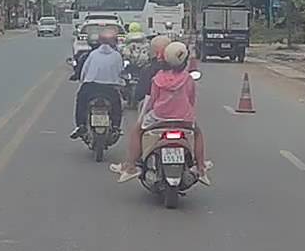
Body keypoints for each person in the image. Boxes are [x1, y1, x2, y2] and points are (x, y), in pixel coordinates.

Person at [112, 41, 208, 184]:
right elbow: (191, 100)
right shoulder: (188, 79)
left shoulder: (158, 79)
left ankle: (131, 166)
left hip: (159, 118)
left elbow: (152, 101)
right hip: (184, 120)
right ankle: (200, 168)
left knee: (137, 131)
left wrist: (146, 114)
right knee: (198, 133)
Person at [70, 26, 124, 139]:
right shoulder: (117, 56)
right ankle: (115, 127)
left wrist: (82, 81)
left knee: (81, 102)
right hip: (110, 89)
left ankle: (81, 125)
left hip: (91, 87)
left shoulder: (93, 54)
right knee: (117, 106)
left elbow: (84, 71)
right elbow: (121, 72)